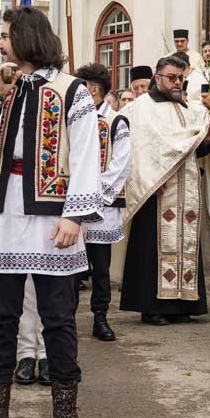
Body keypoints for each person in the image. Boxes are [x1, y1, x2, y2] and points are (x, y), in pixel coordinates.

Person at [0, 6, 101, 418]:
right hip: (1, 214)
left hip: (51, 215)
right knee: (1, 317)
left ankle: (66, 413)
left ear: (26, 38)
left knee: (58, 318)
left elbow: (86, 154)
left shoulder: (71, 90)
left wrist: (75, 215)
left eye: (5, 36)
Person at [117, 56, 210, 326]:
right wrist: (146, 178)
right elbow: (134, 150)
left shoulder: (188, 110)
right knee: (152, 249)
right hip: (155, 190)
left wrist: (206, 141)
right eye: (172, 77)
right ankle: (152, 307)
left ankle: (183, 305)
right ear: (157, 78)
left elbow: (194, 151)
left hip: (186, 188)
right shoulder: (140, 109)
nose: (177, 83)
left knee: (185, 242)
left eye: (181, 78)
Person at [76, 62, 129, 342]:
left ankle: (100, 316)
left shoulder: (116, 121)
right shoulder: (74, 118)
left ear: (94, 90)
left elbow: (121, 165)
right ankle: (66, 317)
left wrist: (95, 196)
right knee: (70, 263)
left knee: (100, 266)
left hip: (102, 206)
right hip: (72, 204)